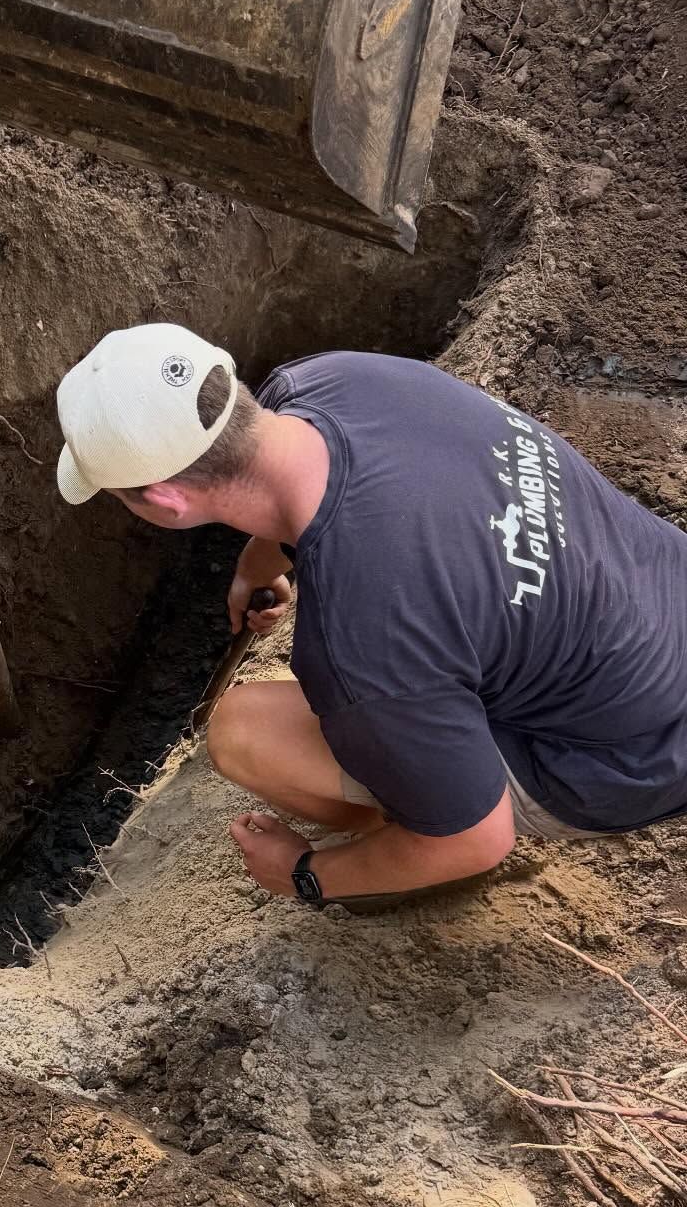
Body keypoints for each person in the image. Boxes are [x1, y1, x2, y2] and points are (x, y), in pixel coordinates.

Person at [55, 325, 687, 906]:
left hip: (629, 759)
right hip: (655, 600)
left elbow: (478, 838)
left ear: (166, 500)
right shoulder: (335, 379)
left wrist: (304, 873)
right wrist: (257, 564)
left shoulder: (362, 647)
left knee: (244, 732)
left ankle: (397, 846)